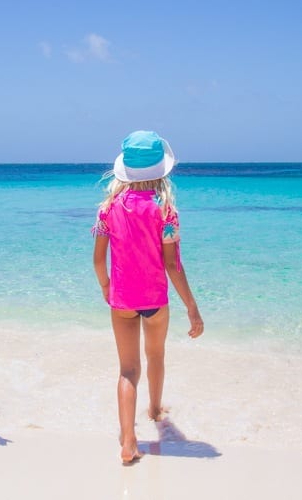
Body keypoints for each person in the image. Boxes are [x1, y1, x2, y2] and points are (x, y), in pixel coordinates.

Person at [92, 130, 204, 463]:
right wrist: (192, 308)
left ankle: (128, 441)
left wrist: (105, 286)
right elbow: (172, 265)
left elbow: (99, 259)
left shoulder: (108, 208)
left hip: (122, 300)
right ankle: (155, 410)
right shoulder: (166, 211)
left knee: (127, 370)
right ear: (161, 170)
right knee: (155, 357)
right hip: (155, 300)